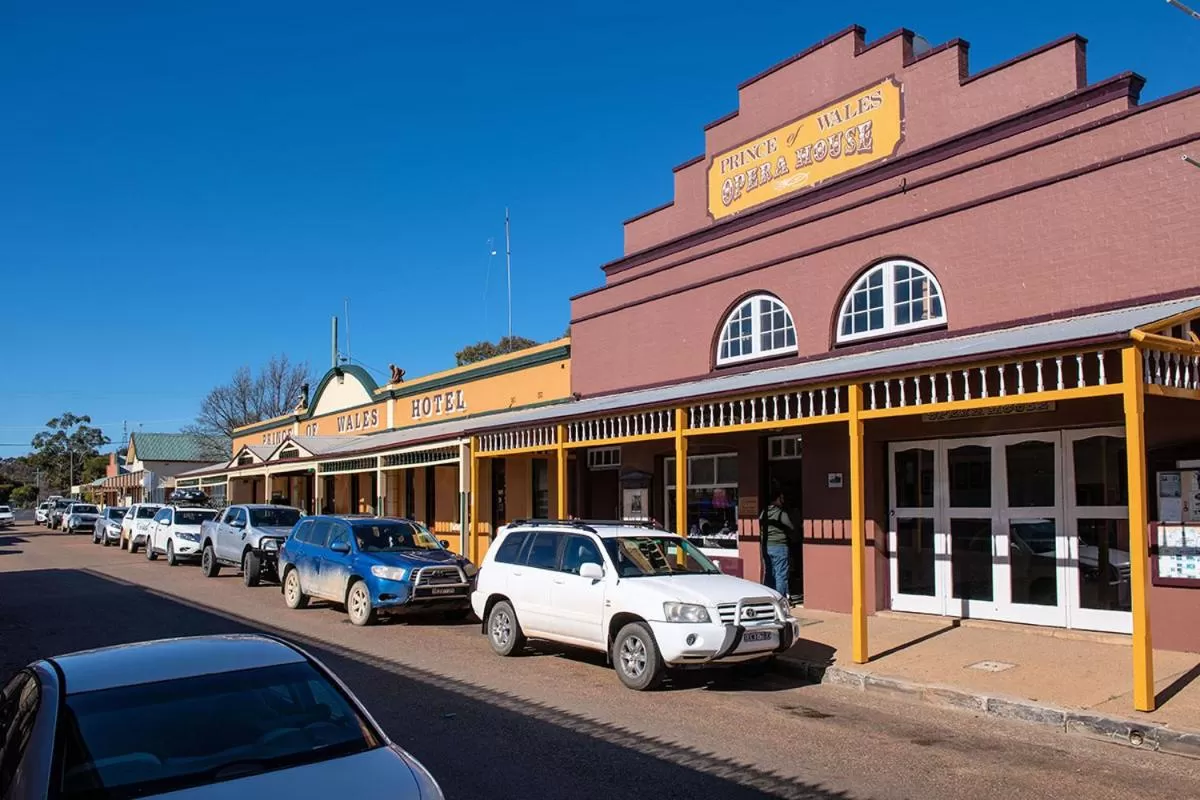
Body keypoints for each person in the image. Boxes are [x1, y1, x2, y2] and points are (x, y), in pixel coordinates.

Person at [760, 491, 795, 597]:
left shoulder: (764, 512)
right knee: (781, 574)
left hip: (766, 546)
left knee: (769, 573)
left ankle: (768, 597)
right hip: (779, 546)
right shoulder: (781, 513)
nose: (783, 500)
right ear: (777, 499)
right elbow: (791, 527)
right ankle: (780, 599)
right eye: (782, 498)